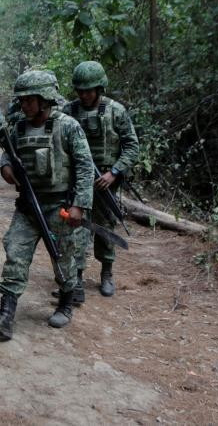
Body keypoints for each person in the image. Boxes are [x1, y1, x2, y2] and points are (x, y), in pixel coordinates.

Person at [0, 70, 93, 339]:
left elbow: (86, 167)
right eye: (22, 100)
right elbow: (8, 156)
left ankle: (66, 303)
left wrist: (80, 205)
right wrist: (6, 169)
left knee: (63, 257)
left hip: (59, 205)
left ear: (44, 99)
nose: (23, 105)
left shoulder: (68, 126)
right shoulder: (18, 128)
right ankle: (5, 317)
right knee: (15, 253)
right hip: (29, 206)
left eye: (28, 100)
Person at [62, 61, 139, 298]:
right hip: (77, 182)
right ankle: (76, 278)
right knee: (76, 229)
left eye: (89, 90)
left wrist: (114, 171)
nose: (84, 95)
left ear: (99, 88)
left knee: (105, 229)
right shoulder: (68, 112)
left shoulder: (116, 111)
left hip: (106, 181)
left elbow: (132, 147)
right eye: (80, 90)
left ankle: (106, 272)